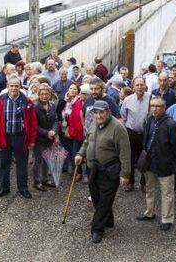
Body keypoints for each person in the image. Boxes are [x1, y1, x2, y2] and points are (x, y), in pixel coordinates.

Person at [75, 100, 130, 244]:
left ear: (108, 112)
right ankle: (108, 220)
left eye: (101, 112)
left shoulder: (118, 128)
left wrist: (125, 174)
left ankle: (97, 228)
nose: (98, 115)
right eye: (96, 112)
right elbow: (87, 141)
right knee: (96, 197)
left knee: (105, 201)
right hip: (93, 168)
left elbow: (125, 153)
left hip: (110, 170)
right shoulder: (93, 123)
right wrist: (80, 154)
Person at [137, 97, 176, 231]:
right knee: (149, 189)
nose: (154, 108)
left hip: (164, 165)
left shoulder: (171, 125)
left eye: (158, 106)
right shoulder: (149, 120)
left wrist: (171, 163)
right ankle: (149, 213)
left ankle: (167, 219)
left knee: (167, 193)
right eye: (152, 106)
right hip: (149, 162)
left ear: (164, 108)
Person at [0, 75, 37, 199]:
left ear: (20, 87)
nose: (14, 88)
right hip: (5, 137)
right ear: (7, 87)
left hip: (21, 138)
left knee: (22, 165)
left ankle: (23, 188)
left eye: (16, 86)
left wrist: (32, 140)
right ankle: (4, 187)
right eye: (11, 86)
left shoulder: (27, 101)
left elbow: (33, 122)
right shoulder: (1, 101)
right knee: (4, 164)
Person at [120, 77, 151, 192]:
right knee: (130, 158)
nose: (139, 87)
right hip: (131, 134)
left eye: (141, 84)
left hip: (145, 134)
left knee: (145, 159)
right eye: (137, 85)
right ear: (133, 87)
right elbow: (123, 116)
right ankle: (130, 182)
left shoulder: (151, 98)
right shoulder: (127, 99)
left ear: (145, 86)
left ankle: (144, 183)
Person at [33, 84, 59, 191]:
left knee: (47, 159)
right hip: (39, 138)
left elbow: (56, 120)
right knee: (38, 160)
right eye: (42, 94)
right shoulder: (35, 107)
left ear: (50, 94)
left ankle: (45, 179)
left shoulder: (52, 105)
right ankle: (37, 181)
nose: (44, 96)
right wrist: (46, 133)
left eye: (47, 94)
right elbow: (34, 125)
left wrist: (54, 131)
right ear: (38, 95)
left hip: (50, 138)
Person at [57, 83, 80, 173]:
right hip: (63, 128)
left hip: (73, 128)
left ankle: (75, 169)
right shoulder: (64, 100)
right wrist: (64, 101)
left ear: (78, 91)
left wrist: (69, 124)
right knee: (64, 147)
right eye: (70, 88)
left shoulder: (78, 101)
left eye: (74, 89)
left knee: (73, 149)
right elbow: (58, 111)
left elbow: (76, 116)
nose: (72, 90)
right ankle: (65, 166)